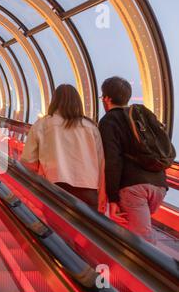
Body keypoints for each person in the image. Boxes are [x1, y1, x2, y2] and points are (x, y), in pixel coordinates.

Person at [99, 77, 168, 243]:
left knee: (141, 242)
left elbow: (112, 161)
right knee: (132, 233)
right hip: (159, 185)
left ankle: (153, 268)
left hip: (133, 188)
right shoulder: (139, 116)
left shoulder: (109, 120)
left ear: (107, 99)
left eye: (102, 97)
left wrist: (113, 198)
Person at [21, 84, 106, 212]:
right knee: (86, 231)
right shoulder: (91, 127)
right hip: (88, 191)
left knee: (59, 229)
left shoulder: (42, 125)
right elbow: (101, 164)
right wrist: (102, 196)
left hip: (54, 188)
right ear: (78, 102)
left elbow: (28, 162)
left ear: (54, 101)